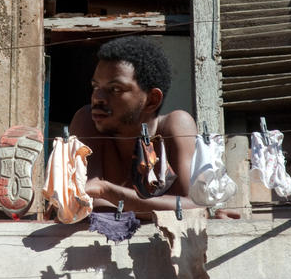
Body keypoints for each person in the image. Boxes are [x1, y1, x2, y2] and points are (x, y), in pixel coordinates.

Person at [69, 36, 239, 220]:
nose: (97, 98)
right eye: (95, 87)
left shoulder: (173, 127)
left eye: (115, 89)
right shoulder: (87, 122)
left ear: (152, 100)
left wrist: (106, 190)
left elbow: (194, 208)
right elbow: (83, 203)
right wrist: (157, 209)